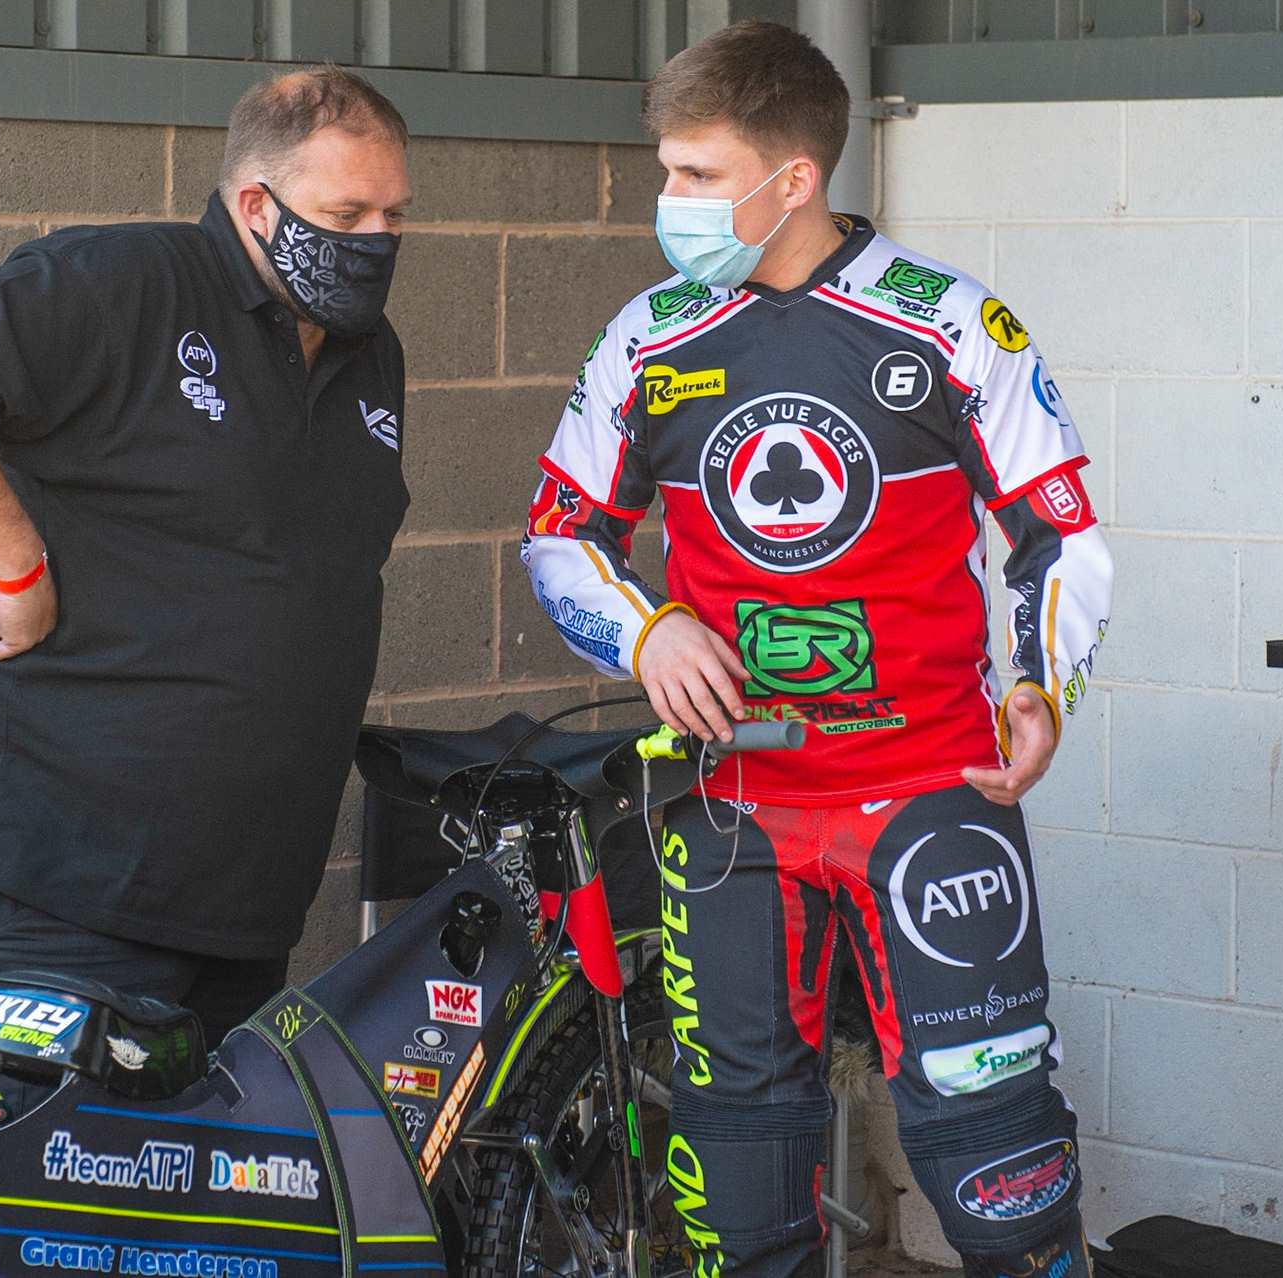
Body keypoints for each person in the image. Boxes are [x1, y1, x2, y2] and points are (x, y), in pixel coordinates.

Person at [520, 22, 1113, 1278]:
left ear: (793, 179)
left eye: (695, 173)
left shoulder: (954, 324)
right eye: (665, 170)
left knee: (998, 1162)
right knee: (738, 1185)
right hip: (735, 805)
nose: (666, 201)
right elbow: (557, 539)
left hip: (935, 792)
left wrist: (1041, 684)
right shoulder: (646, 337)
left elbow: (1058, 539)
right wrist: (649, 626)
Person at [0, 68, 414, 1093]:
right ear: (257, 206)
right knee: (11, 1219)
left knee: (179, 1235)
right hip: (56, 895)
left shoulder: (372, 357)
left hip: (239, 910)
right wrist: (17, 566)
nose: (375, 239)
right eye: (345, 214)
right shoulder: (129, 282)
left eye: (392, 215)